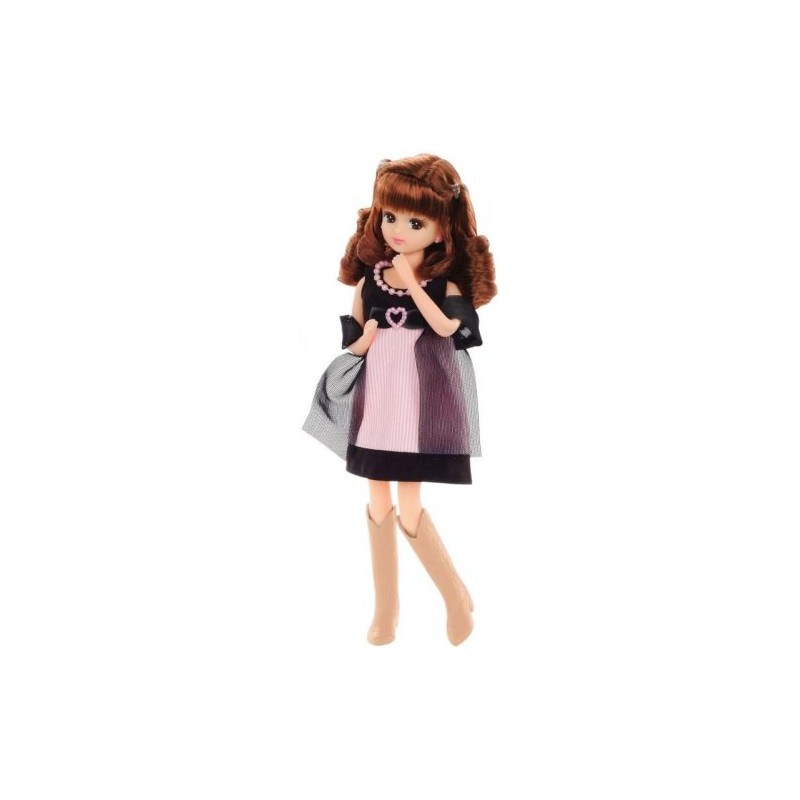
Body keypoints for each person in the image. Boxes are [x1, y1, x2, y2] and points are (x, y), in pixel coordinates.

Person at [303, 154, 497, 645]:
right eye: (390, 216)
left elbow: (449, 329)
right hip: (376, 403)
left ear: (441, 230)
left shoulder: (442, 284)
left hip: (418, 404)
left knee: (409, 503)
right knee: (376, 499)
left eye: (415, 222)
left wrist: (412, 284)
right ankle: (386, 610)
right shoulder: (368, 281)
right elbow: (354, 338)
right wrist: (362, 342)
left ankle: (454, 597)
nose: (398, 230)